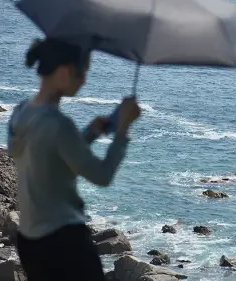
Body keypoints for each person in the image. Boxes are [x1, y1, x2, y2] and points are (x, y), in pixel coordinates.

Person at [8, 38, 141, 281]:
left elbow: (49, 158)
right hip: (65, 244)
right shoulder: (60, 125)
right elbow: (102, 175)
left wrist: (89, 135)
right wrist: (122, 131)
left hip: (29, 243)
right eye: (82, 72)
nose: (84, 79)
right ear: (63, 72)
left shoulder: (20, 112)